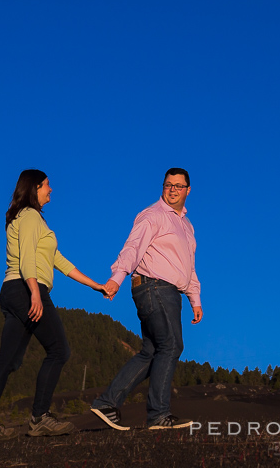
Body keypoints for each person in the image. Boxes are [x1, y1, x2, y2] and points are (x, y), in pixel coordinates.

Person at [0, 169, 110, 440]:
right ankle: (40, 418)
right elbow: (27, 258)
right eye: (47, 185)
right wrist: (35, 293)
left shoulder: (27, 218)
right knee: (59, 350)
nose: (51, 190)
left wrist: (96, 285)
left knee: (8, 360)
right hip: (26, 289)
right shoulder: (30, 216)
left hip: (14, 290)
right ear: (35, 187)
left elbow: (59, 261)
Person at [91, 167, 202, 430]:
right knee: (172, 345)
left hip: (169, 290)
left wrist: (194, 298)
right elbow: (133, 246)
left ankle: (107, 403)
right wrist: (116, 278)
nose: (173, 190)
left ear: (188, 190)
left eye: (178, 185)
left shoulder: (186, 225)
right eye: (168, 185)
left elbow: (188, 265)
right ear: (163, 187)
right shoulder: (153, 215)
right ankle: (158, 415)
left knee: (152, 351)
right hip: (155, 287)